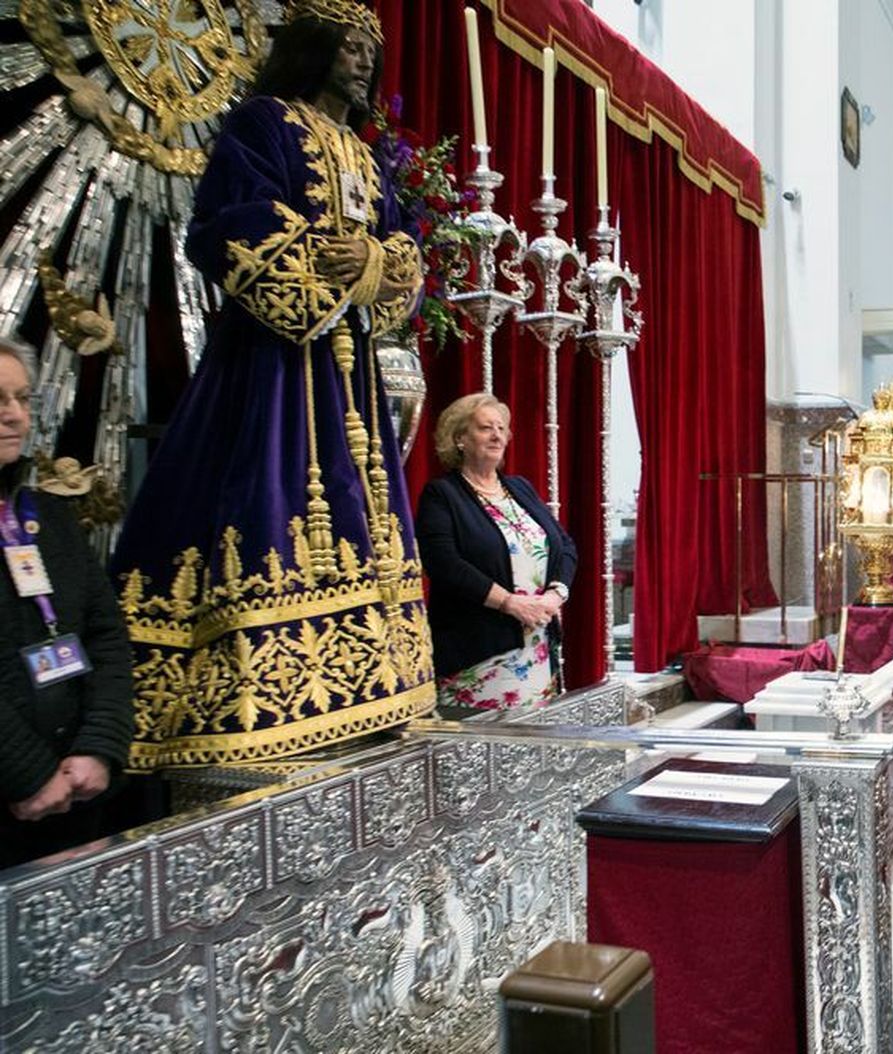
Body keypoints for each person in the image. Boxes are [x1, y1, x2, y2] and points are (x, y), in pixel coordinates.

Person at [108, 0, 433, 771]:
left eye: (369, 52)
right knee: (263, 493)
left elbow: (401, 244)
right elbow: (225, 221)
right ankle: (250, 691)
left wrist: (379, 266)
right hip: (275, 363)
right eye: (349, 48)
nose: (361, 63)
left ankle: (370, 681)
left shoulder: (364, 153)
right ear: (314, 49)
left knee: (366, 502)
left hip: (350, 373)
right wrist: (328, 262)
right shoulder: (263, 122)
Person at [0, 338, 133, 870]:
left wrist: (99, 746)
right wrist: (29, 773)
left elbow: (107, 636)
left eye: (23, 399)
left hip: (75, 797)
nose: (14, 416)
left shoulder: (48, 519)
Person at [416, 395, 576, 710]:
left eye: (501, 428)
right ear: (460, 438)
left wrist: (555, 596)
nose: (497, 435)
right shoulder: (442, 494)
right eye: (485, 428)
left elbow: (564, 546)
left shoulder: (520, 488)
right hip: (479, 651)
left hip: (537, 644)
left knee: (535, 745)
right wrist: (509, 603)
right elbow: (443, 564)